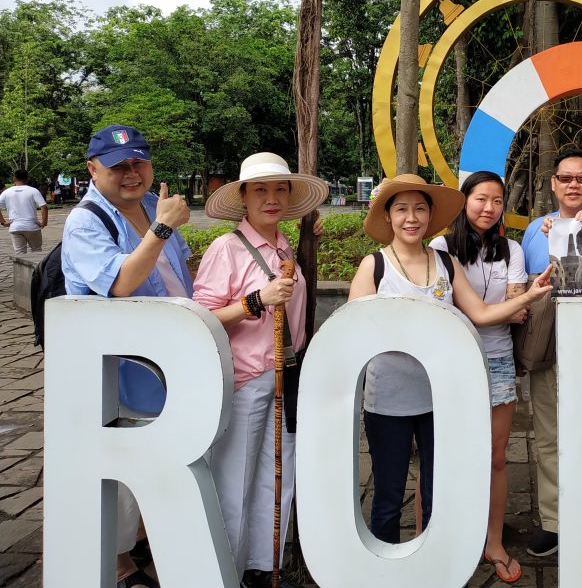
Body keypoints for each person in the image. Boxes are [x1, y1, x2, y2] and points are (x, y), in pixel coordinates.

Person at [348, 174, 551, 565]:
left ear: (430, 216)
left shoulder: (445, 261)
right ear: (388, 216)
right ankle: (381, 569)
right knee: (389, 494)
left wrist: (531, 294)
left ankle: (433, 564)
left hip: (441, 397)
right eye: (402, 209)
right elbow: (352, 337)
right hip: (388, 400)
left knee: (438, 485)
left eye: (420, 209)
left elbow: (480, 313)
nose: (412, 218)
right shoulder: (373, 266)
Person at [62, 124, 192, 588]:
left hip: (171, 361)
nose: (131, 173)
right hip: (122, 371)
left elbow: (178, 271)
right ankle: (118, 564)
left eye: (138, 162)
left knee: (161, 458)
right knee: (122, 464)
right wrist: (161, 229)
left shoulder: (156, 205)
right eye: (119, 167)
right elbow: (120, 283)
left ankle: (150, 539)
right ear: (93, 169)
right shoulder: (85, 222)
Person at [192, 152, 328, 588]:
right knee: (238, 480)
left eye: (280, 189)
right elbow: (202, 315)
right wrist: (256, 301)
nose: (272, 198)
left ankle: (262, 568)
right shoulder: (227, 248)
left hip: (285, 378)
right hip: (248, 380)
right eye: (261, 190)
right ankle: (228, 571)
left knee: (279, 474)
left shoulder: (284, 243)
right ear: (244, 197)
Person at [429, 171, 528, 583]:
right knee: (441, 456)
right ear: (464, 201)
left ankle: (492, 541)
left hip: (499, 359)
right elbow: (498, 307)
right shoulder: (440, 247)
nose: (488, 208)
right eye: (480, 199)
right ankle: (432, 539)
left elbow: (519, 308)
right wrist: (502, 308)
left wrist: (506, 307)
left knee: (497, 456)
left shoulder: (512, 250)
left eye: (497, 201)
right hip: (450, 360)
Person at [519, 149, 582, 557]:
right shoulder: (535, 230)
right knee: (549, 435)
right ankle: (553, 520)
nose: (574, 185)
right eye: (566, 178)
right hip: (550, 347)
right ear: (553, 183)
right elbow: (522, 290)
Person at [0, 169, 48, 254]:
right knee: (37, 252)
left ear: (14, 178)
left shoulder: (6, 192)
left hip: (15, 226)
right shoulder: (33, 191)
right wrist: (44, 223)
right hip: (32, 226)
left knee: (20, 254)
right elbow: (43, 207)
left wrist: (3, 222)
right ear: (27, 178)